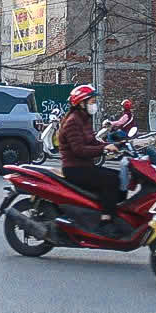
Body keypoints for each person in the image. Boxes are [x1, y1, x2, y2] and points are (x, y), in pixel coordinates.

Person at [55, 84, 123, 233]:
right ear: (81, 103)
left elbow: (93, 142)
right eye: (91, 102)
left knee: (120, 177)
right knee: (111, 180)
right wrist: (104, 149)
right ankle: (106, 220)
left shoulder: (84, 119)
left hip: (84, 166)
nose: (94, 105)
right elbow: (79, 150)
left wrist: (114, 145)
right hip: (75, 168)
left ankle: (105, 211)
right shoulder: (73, 121)